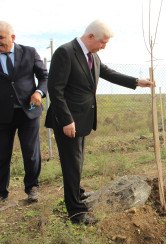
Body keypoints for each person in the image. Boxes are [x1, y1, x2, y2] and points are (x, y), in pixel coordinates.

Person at [45, 20, 154, 224]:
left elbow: (108, 73)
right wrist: (66, 120)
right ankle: (77, 214)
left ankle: (77, 194)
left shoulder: (92, 56)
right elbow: (55, 90)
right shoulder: (65, 52)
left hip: (82, 119)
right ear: (91, 36)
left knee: (76, 161)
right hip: (68, 120)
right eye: (103, 42)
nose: (105, 46)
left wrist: (137, 82)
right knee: (71, 165)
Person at [0, 21, 48, 203]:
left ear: (12, 37)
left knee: (31, 152)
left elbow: (44, 76)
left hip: (29, 111)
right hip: (2, 115)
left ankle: (32, 187)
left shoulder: (29, 52)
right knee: (1, 153)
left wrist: (39, 92)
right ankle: (1, 192)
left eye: (1, 38)